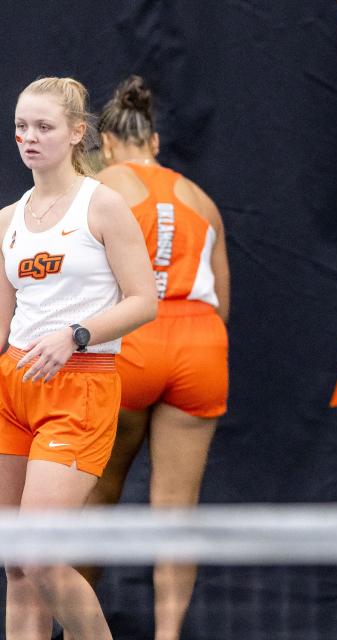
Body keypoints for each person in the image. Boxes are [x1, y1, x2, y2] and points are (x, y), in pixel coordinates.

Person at [0, 77, 157, 639]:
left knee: (41, 556)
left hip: (80, 388)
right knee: (17, 563)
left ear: (76, 133)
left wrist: (77, 334)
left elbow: (144, 301)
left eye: (44, 126)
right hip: (12, 391)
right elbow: (3, 321)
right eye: (21, 126)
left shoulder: (104, 205)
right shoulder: (8, 219)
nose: (29, 137)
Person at [74, 75, 229, 640]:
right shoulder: (202, 200)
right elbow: (223, 298)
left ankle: (80, 630)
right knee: (176, 514)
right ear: (156, 144)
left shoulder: (98, 185)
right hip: (200, 346)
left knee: (94, 494)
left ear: (107, 144)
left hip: (129, 345)